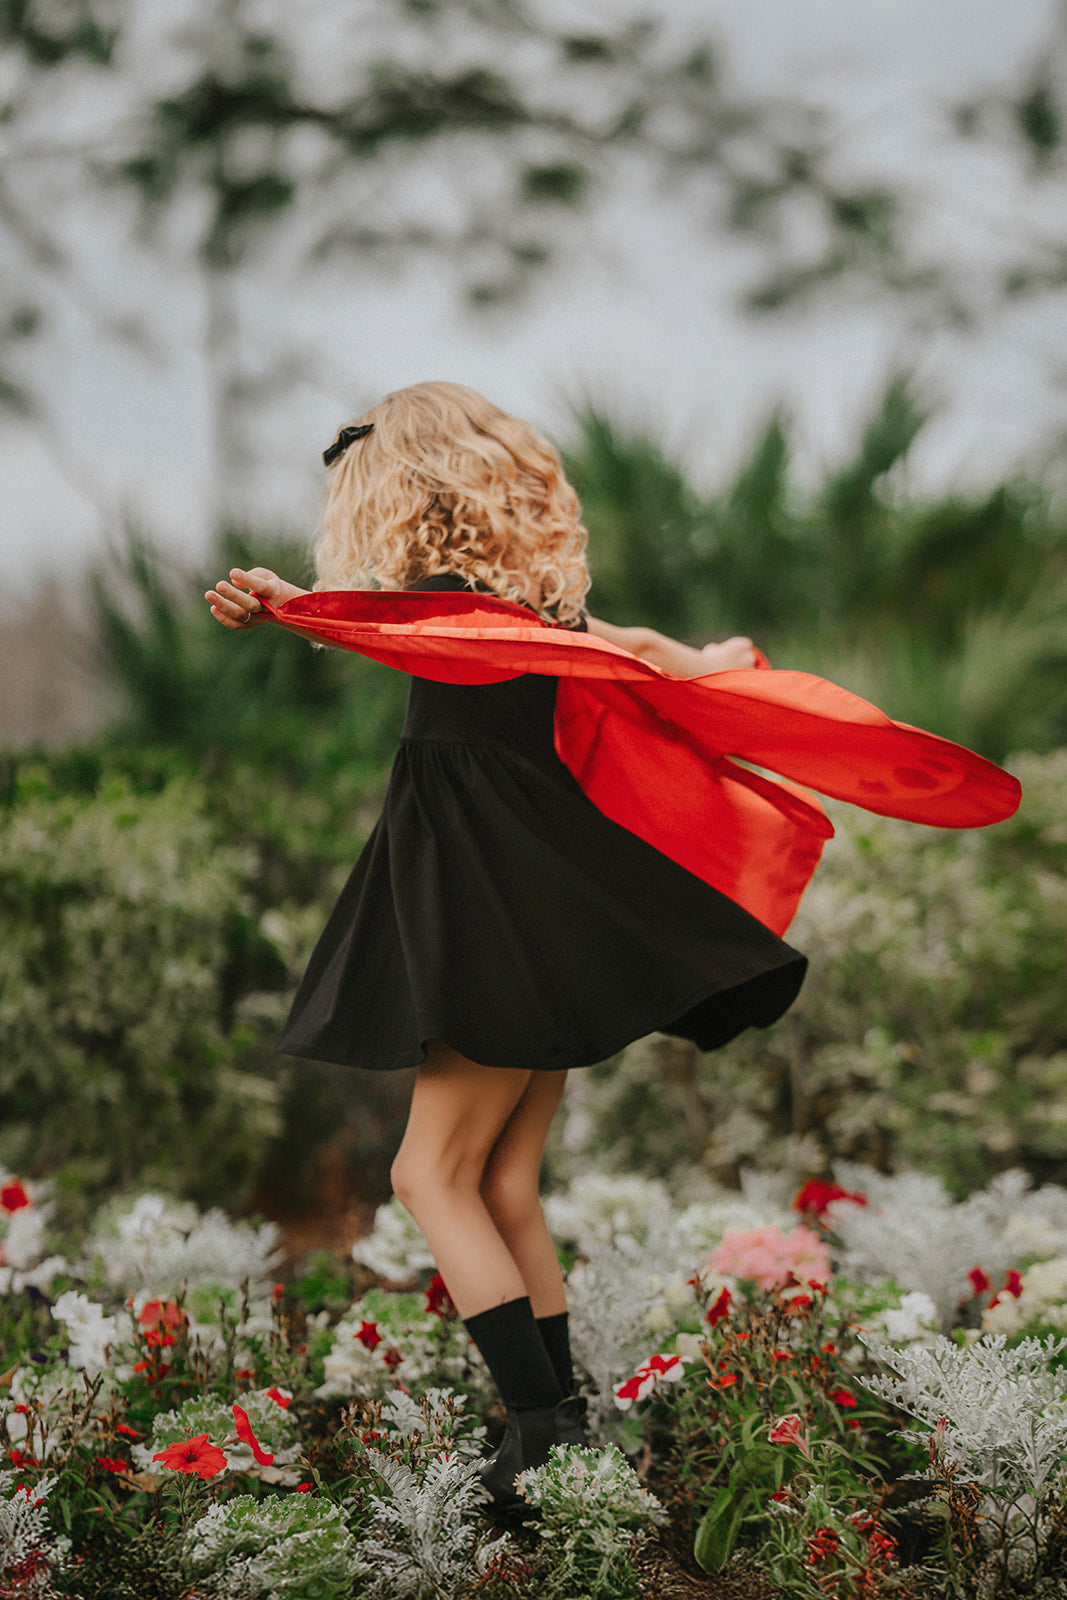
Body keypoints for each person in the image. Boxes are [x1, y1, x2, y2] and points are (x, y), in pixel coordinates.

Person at [206, 379, 1018, 1510]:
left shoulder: (450, 612)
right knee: (503, 1179)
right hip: (542, 912)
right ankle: (568, 1428)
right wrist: (713, 660)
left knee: (427, 1172)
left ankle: (538, 1434)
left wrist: (295, 606)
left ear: (404, 494)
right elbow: (635, 647)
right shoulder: (533, 614)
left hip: (490, 912)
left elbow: (405, 632)